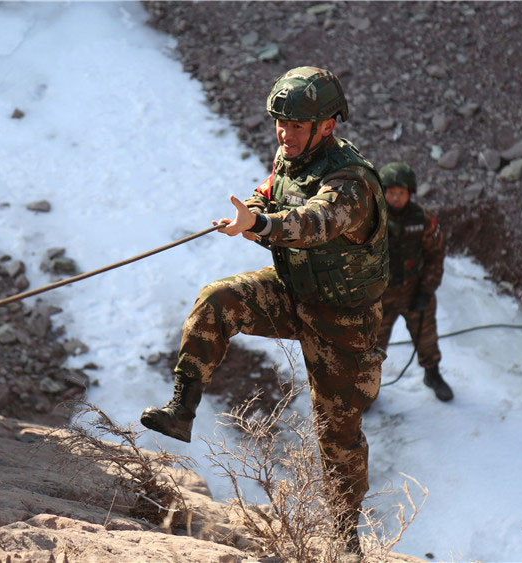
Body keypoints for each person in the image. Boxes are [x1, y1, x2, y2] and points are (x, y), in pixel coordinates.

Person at [141, 67, 389, 556]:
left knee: (336, 433)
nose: (284, 134)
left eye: (296, 126)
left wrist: (263, 223)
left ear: (327, 126)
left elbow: (314, 221)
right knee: (218, 300)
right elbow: (273, 191)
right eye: (280, 123)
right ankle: (182, 410)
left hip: (343, 320)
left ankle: (345, 536)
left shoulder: (350, 181)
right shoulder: (290, 156)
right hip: (295, 292)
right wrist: (250, 213)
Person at [377, 162, 452, 401]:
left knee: (427, 340)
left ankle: (432, 374)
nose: (395, 198)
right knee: (370, 350)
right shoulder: (371, 219)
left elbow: (436, 256)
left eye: (401, 193)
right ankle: (367, 390)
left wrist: (426, 291)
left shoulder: (424, 219)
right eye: (390, 192)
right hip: (379, 297)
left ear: (410, 193)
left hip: (414, 292)